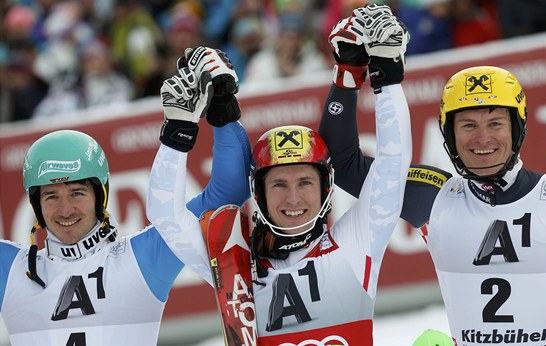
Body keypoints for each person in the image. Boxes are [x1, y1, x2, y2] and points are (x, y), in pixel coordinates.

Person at [147, 7, 412, 343]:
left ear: (327, 188)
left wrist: (386, 75)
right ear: (257, 192)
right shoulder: (233, 260)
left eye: (305, 182)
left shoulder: (357, 243)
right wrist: (179, 130)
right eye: (278, 184)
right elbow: (164, 217)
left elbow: (393, 164)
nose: (293, 197)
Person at [319, 6, 546, 345]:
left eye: (495, 124)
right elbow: (344, 165)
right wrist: (349, 72)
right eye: (467, 126)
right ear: (449, 135)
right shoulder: (436, 197)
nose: (482, 138)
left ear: (517, 129)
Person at [0, 48, 250, 345]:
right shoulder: (11, 268)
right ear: (36, 205)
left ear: (100, 195)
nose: (65, 209)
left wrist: (223, 106)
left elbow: (228, 194)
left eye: (77, 193)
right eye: (51, 196)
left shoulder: (141, 257)